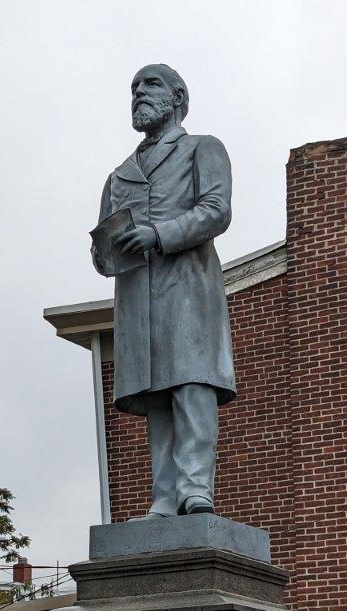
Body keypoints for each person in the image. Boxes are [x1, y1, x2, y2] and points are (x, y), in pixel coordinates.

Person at [92, 64, 236, 518]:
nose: (138, 93)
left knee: (191, 384)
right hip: (137, 297)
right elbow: (102, 244)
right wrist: (103, 252)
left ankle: (196, 489)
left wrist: (160, 233)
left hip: (187, 287)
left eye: (150, 84)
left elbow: (216, 210)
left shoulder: (202, 148)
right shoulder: (118, 176)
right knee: (157, 393)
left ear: (177, 97)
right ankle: (164, 496)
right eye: (133, 87)